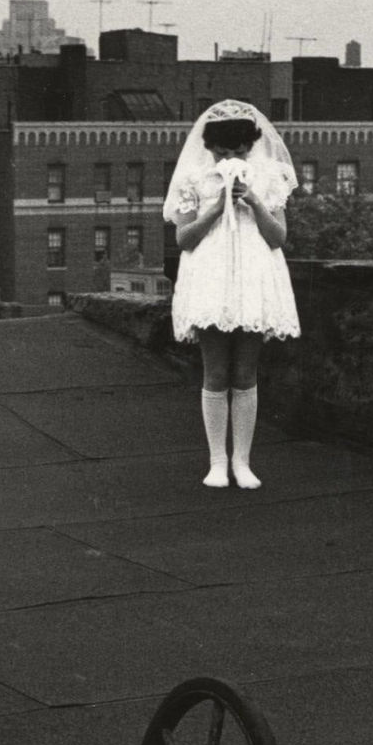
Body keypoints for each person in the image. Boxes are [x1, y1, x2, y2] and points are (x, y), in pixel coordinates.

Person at [163, 99, 300, 489]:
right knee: (216, 370)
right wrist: (216, 206)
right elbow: (184, 239)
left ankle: (243, 461)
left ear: (250, 147)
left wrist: (253, 199)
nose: (231, 158)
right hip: (210, 275)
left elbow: (278, 238)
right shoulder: (193, 179)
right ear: (210, 150)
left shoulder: (269, 176)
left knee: (245, 372)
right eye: (223, 153)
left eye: (239, 152)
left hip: (253, 275)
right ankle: (217, 461)